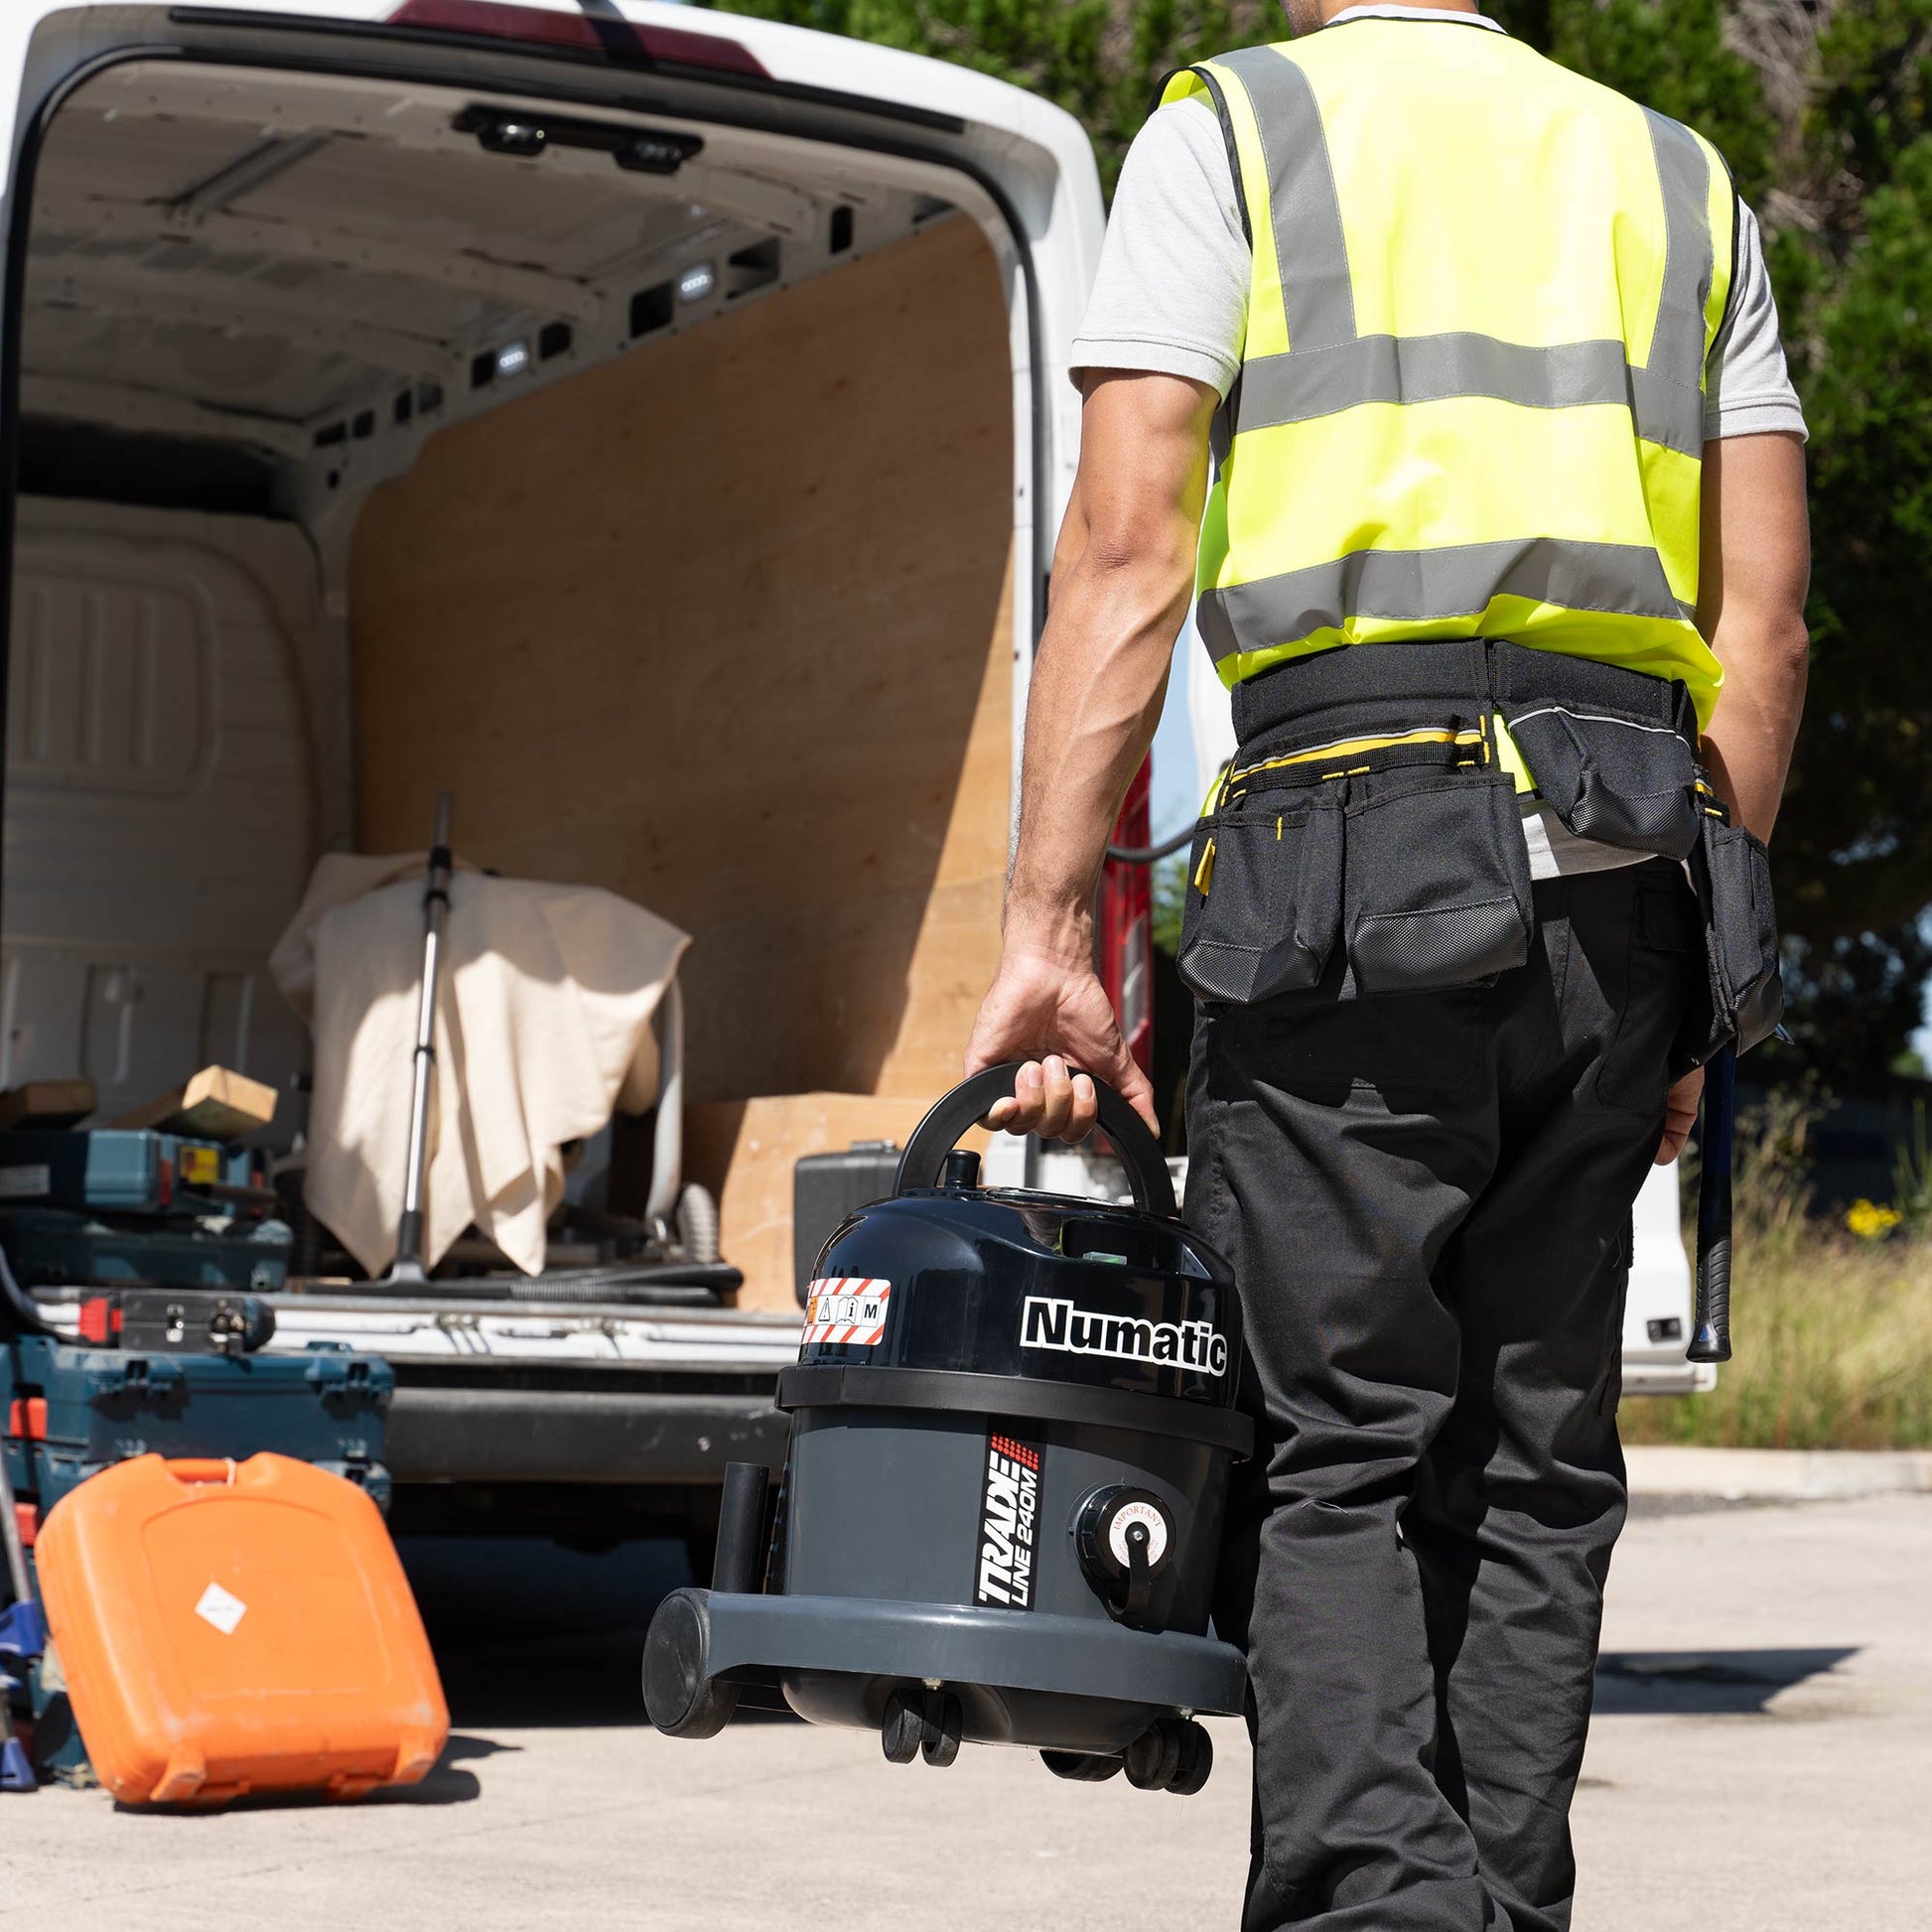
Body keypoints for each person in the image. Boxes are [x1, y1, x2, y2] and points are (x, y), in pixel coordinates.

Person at [964, 4, 1811, 1927]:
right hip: (1619, 885)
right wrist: (1699, 982)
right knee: (1536, 1461)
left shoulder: (1234, 129)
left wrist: (1046, 929)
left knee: (1329, 1442)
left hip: (1347, 872)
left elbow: (1124, 545)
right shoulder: (1681, 179)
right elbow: (1758, 624)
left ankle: (1375, 1904)